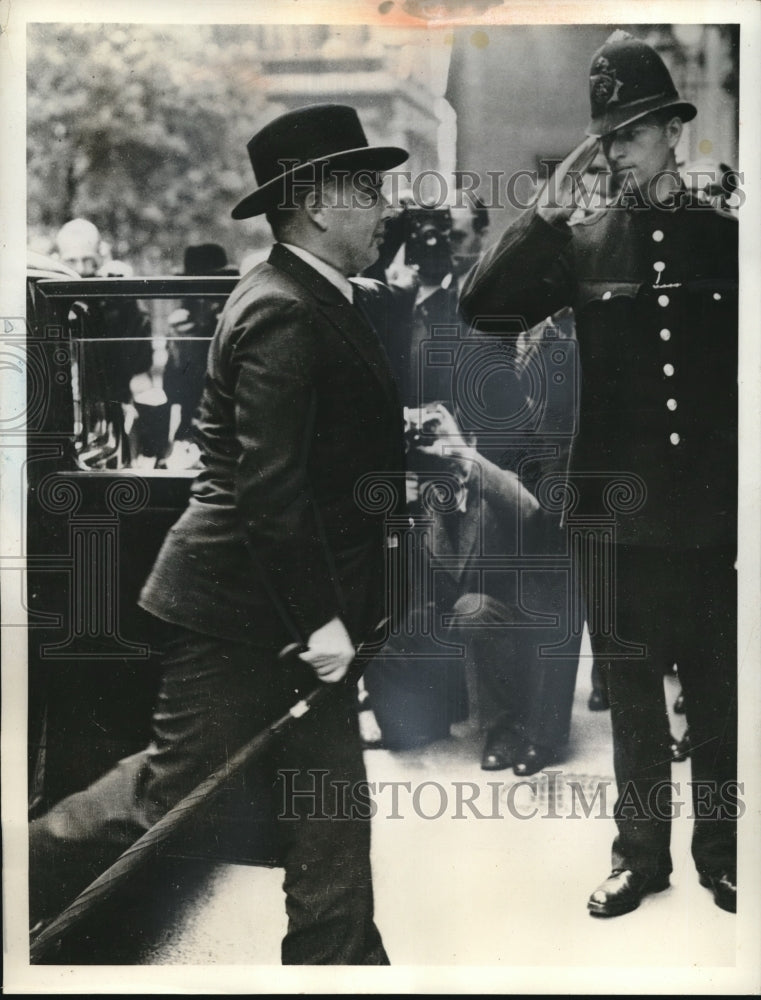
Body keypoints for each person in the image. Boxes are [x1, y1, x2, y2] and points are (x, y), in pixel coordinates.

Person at [29, 103, 409, 964]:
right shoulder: (284, 307)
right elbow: (270, 491)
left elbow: (310, 456)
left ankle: (339, 967)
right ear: (316, 203)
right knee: (163, 801)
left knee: (330, 816)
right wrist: (318, 621)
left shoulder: (310, 295)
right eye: (368, 187)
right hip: (240, 612)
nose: (386, 205)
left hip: (282, 610)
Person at [460, 31, 738, 916]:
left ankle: (723, 852)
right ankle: (640, 857)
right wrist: (541, 213)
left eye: (631, 132)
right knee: (630, 694)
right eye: (606, 137)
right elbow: (483, 310)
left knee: (719, 692)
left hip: (708, 508)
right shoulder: (579, 243)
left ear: (668, 131)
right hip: (612, 514)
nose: (617, 151)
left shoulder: (724, 240)